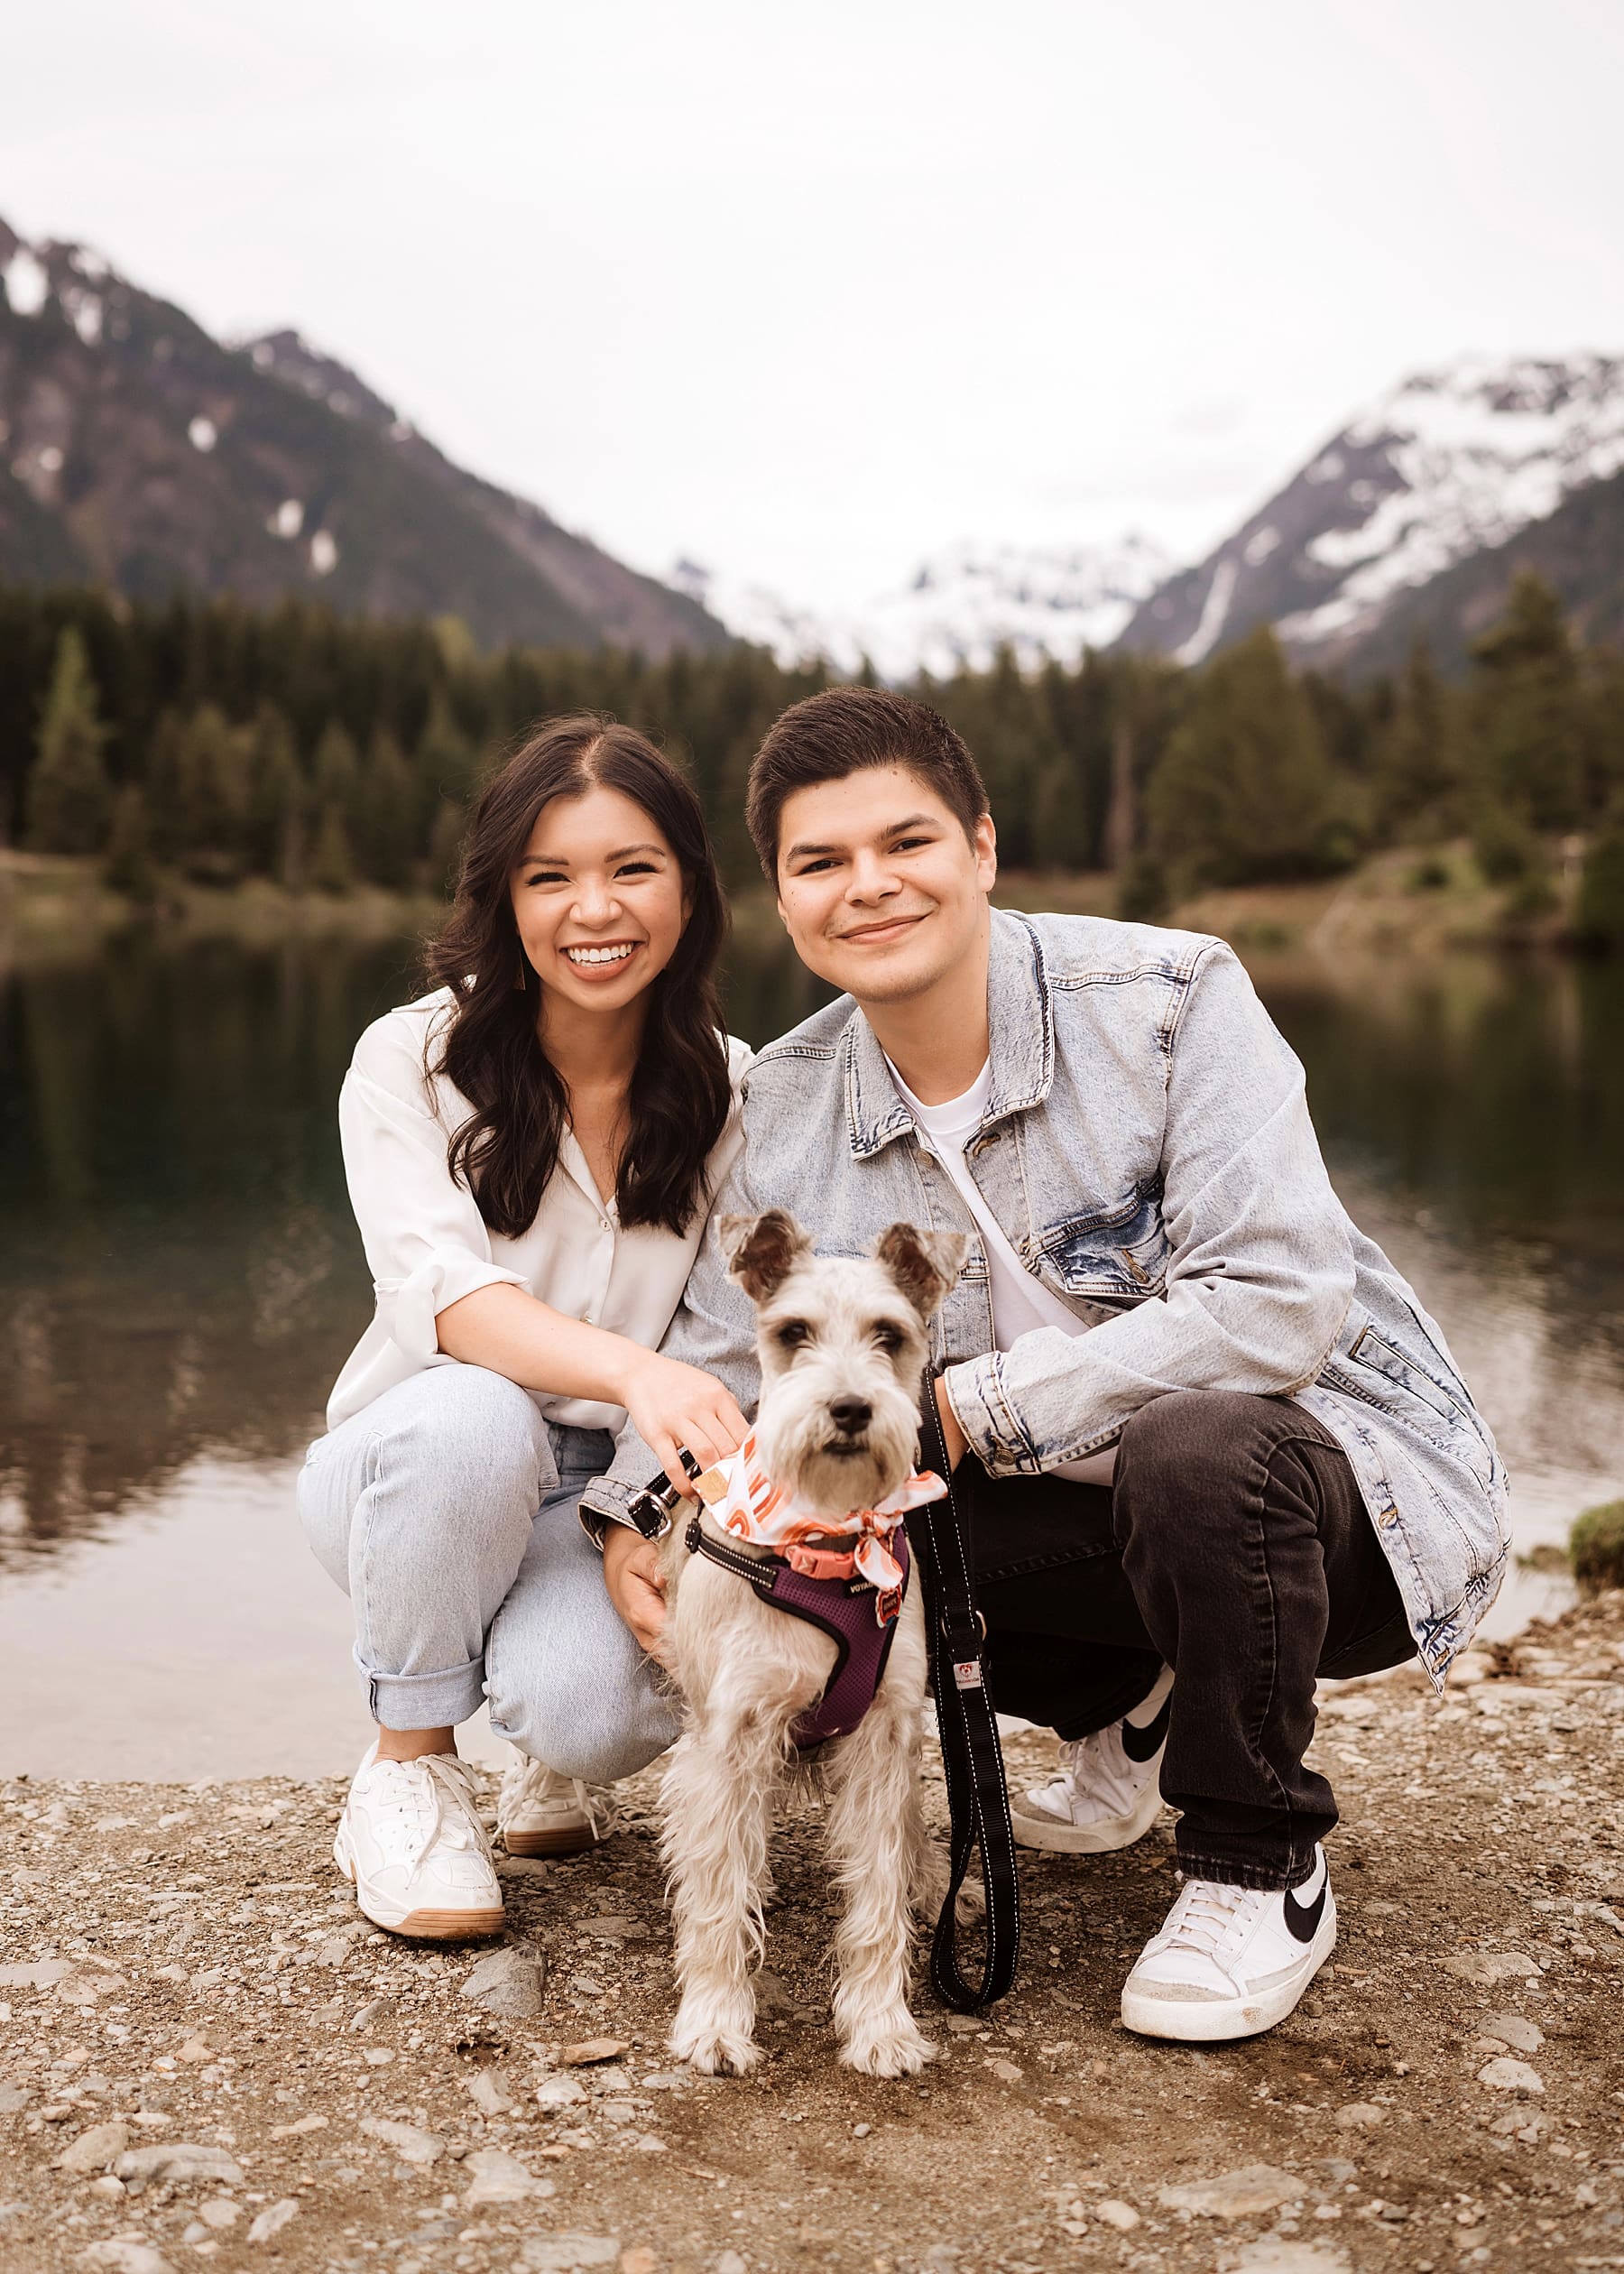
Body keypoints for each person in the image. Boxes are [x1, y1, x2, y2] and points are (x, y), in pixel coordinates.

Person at [586, 685, 1509, 2042]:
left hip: (1334, 1509)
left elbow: (1279, 1300)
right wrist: (641, 1511)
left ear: (983, 848)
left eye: (906, 843)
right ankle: (1120, 1702)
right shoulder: (785, 1097)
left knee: (1201, 1447)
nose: (870, 886)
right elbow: (733, 1352)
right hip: (1082, 1532)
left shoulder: (1173, 1000)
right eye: (821, 863)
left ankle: (1259, 1858)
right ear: (785, 904)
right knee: (846, 1526)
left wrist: (975, 1408)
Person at [300, 716, 750, 1940]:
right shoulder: (409, 1057)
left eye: (631, 869)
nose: (592, 909)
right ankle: (408, 1767)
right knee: (476, 1416)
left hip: (607, 1485)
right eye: (549, 876)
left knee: (595, 1717)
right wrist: (633, 1372)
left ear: (693, 890)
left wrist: (642, 1503)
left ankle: (535, 1740)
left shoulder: (738, 1088)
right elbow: (445, 1304)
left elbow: (728, 1344)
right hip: (412, 1469)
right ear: (503, 896)